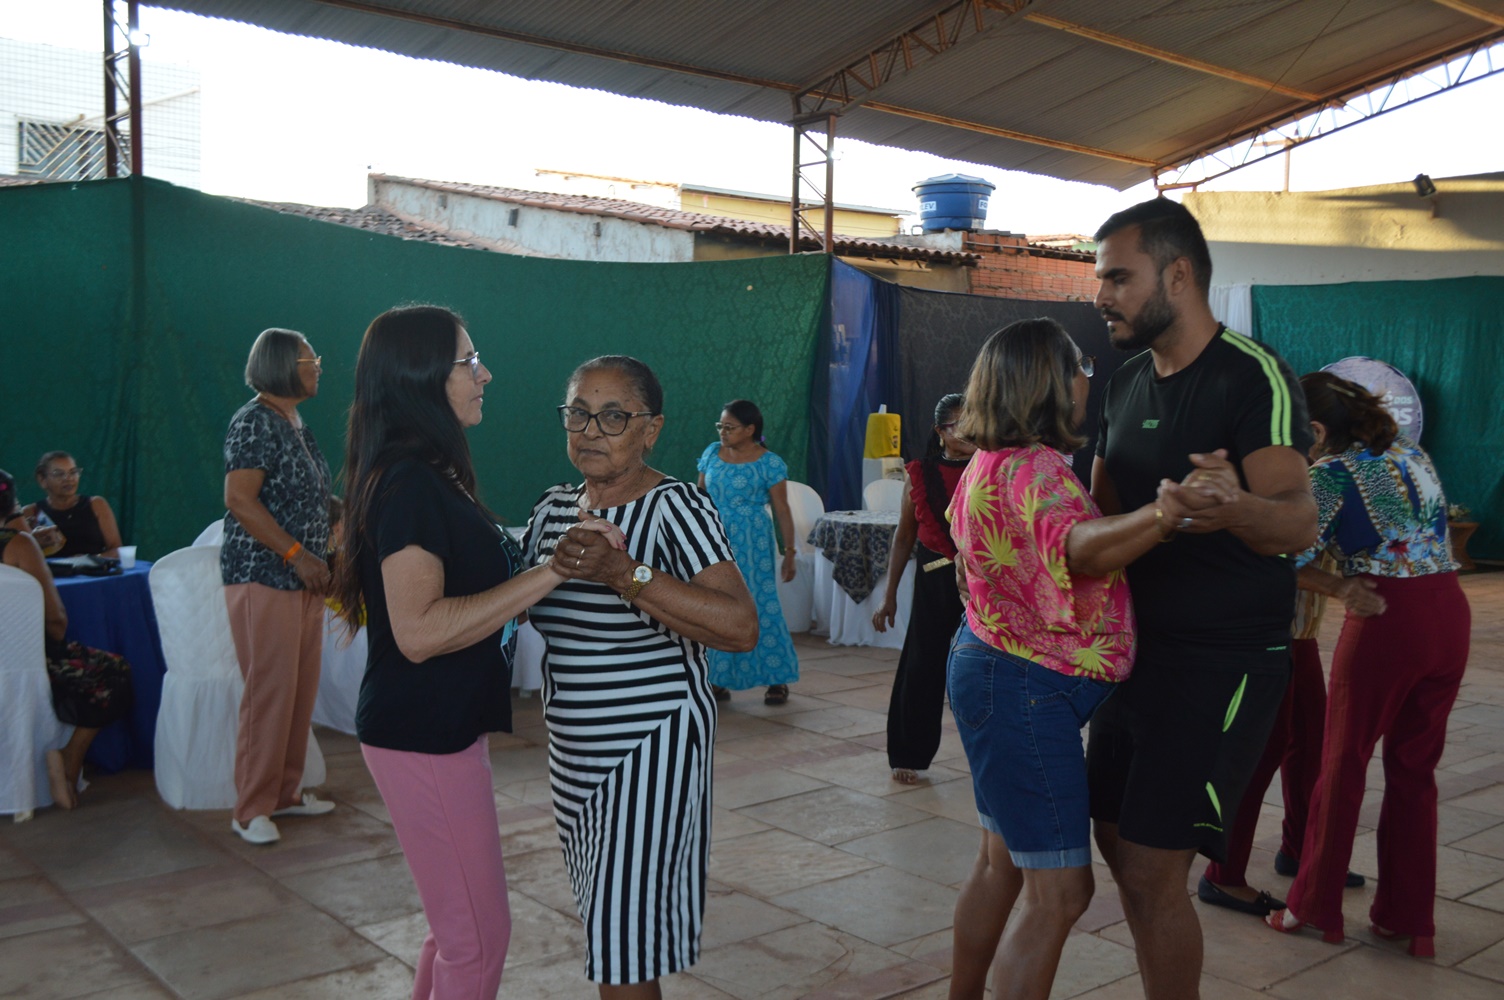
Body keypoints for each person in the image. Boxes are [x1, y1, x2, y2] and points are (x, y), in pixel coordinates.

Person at [1083, 197, 1318, 1000]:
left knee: (1153, 868)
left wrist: (1232, 506)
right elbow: (1102, 514)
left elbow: (1296, 520)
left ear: (1177, 275)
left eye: (1118, 276)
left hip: (1222, 664)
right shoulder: (1120, 386)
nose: (1101, 293)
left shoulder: (1253, 376)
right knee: (1118, 847)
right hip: (1132, 655)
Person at [332, 305, 589, 999]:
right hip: (424, 731)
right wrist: (553, 571)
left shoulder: (425, 473)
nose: (487, 374)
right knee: (477, 941)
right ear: (421, 378)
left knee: (457, 933)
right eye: (469, 362)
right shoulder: (410, 481)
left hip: (435, 728)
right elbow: (419, 632)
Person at [524, 355, 758, 998]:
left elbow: (740, 625)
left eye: (614, 416)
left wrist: (625, 574)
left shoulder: (675, 506)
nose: (591, 430)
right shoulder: (551, 511)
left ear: (650, 429)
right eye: (578, 413)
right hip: (574, 756)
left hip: (650, 746)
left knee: (621, 944)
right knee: (610, 922)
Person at [944, 319, 1137, 1000]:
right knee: (1061, 893)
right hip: (1022, 689)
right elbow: (1081, 548)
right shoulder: (1037, 472)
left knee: (1001, 866)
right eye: (1080, 363)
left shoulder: (990, 463)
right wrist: (1165, 517)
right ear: (1049, 381)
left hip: (996, 672)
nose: (1089, 375)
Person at [1266, 372, 1471, 957]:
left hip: (1386, 617)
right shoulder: (1411, 451)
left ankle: (1313, 907)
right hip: (1449, 616)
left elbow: (1287, 560)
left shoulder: (1328, 475)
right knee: (1414, 772)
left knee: (1342, 764)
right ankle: (1408, 921)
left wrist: (1338, 585)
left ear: (1316, 429)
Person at [220, 327, 335, 846]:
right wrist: (297, 554)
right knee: (269, 692)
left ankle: (285, 794)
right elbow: (240, 500)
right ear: (283, 364)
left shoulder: (295, 422)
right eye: (311, 359)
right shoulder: (254, 422)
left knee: (298, 688)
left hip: (305, 577)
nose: (317, 366)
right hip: (264, 575)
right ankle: (250, 808)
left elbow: (309, 496)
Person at [0, 469, 133, 809]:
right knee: (112, 670)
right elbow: (56, 620)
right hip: (25, 662)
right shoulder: (17, 544)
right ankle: (70, 759)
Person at [872, 392, 975, 784]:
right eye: (958, 426)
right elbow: (904, 538)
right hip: (934, 578)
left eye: (974, 424)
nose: (968, 433)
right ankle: (909, 752)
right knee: (923, 664)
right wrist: (889, 595)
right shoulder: (919, 473)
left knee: (987, 665)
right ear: (940, 432)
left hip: (981, 582)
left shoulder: (991, 469)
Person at [696, 398, 799, 706]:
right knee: (715, 603)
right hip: (714, 538)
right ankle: (717, 679)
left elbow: (782, 509)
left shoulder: (769, 463)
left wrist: (790, 551)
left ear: (750, 429)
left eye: (730, 427)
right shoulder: (712, 454)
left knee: (759, 604)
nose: (723, 432)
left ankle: (776, 679)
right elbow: (699, 497)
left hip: (753, 542)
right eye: (720, 426)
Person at [19, 451, 122, 558]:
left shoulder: (96, 505)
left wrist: (90, 560)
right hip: (50, 574)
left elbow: (116, 549)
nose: (68, 478)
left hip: (94, 572)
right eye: (59, 474)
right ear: (42, 479)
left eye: (73, 472)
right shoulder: (31, 512)